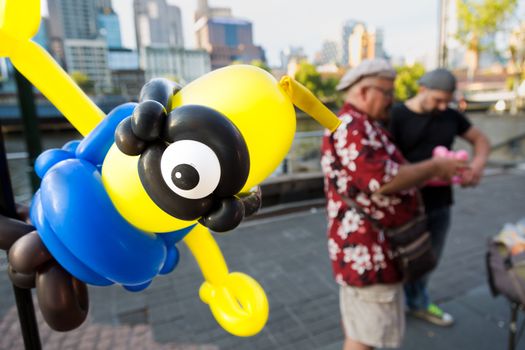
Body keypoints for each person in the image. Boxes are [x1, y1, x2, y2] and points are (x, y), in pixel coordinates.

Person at [321, 59, 467, 350]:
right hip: (369, 253)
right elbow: (381, 180)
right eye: (387, 93)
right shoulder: (352, 126)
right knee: (369, 336)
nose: (392, 100)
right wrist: (436, 166)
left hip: (369, 251)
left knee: (363, 330)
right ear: (364, 91)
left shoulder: (359, 124)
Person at [389, 68, 490, 326]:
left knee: (430, 258)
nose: (443, 106)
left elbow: (480, 140)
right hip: (403, 204)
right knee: (398, 260)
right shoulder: (396, 116)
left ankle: (418, 302)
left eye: (448, 101)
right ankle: (397, 304)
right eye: (438, 100)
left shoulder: (450, 116)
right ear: (422, 89)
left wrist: (476, 167)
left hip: (440, 202)